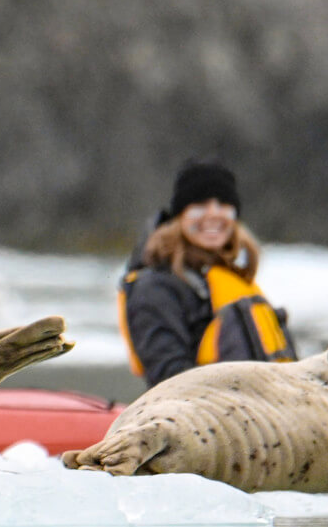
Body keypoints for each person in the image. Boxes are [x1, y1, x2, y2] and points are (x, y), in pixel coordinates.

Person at [117, 158, 296, 388]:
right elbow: (169, 379)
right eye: (200, 204)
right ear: (179, 215)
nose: (213, 213)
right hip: (203, 418)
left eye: (223, 204)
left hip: (265, 414)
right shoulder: (154, 287)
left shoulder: (232, 279)